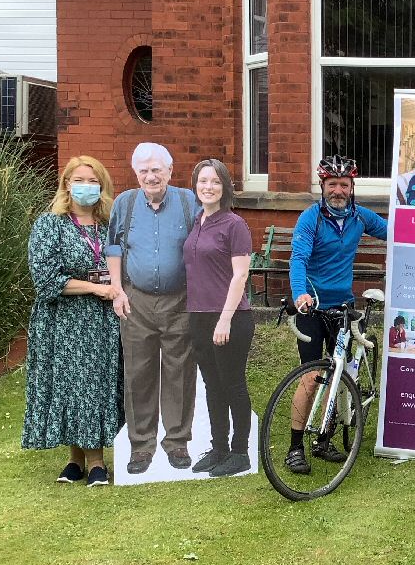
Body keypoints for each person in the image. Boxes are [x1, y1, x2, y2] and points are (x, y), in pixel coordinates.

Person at [284, 155, 387, 474]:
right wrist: (300, 292)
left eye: (344, 185)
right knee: (311, 375)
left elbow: (395, 231)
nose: (338, 190)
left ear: (352, 187)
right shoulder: (310, 219)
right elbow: (298, 258)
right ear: (322, 187)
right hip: (312, 306)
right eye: (332, 185)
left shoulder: (361, 217)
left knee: (338, 373)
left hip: (342, 307)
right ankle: (294, 448)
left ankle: (324, 438)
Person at [23, 155, 121, 487]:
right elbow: (46, 279)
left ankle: (92, 461)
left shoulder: (111, 226)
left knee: (93, 386)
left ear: (102, 186)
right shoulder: (49, 225)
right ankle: (78, 460)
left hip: (102, 321)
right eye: (79, 180)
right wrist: (96, 287)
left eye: (93, 181)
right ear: (67, 184)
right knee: (68, 386)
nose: (86, 187)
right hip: (62, 321)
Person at [106, 143, 198, 475]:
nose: (150, 176)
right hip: (136, 300)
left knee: (180, 371)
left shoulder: (189, 201)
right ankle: (141, 446)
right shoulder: (125, 203)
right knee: (138, 373)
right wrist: (116, 289)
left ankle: (177, 442)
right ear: (136, 174)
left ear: (170, 171)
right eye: (143, 170)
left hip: (180, 301)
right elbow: (114, 246)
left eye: (157, 169)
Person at [183, 159, 255, 477]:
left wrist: (224, 319)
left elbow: (240, 276)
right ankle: (219, 448)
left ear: (224, 187)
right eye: (203, 181)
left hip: (230, 317)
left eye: (215, 182)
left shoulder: (234, 225)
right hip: (198, 316)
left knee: (233, 384)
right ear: (196, 185)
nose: (208, 187)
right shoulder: (197, 221)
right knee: (212, 386)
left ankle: (240, 452)